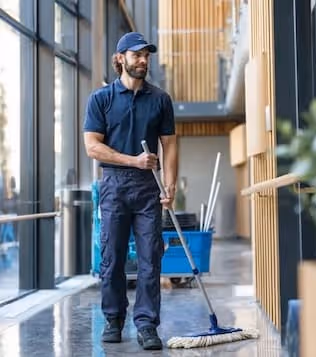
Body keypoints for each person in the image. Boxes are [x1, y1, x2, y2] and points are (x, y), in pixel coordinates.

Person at [83, 32, 177, 350]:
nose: (143, 60)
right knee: (112, 258)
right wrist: (133, 160)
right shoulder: (101, 99)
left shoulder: (160, 100)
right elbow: (92, 147)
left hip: (148, 188)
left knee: (152, 258)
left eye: (146, 55)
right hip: (114, 185)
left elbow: (170, 145)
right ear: (120, 58)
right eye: (137, 55)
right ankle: (113, 319)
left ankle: (147, 325)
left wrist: (171, 184)